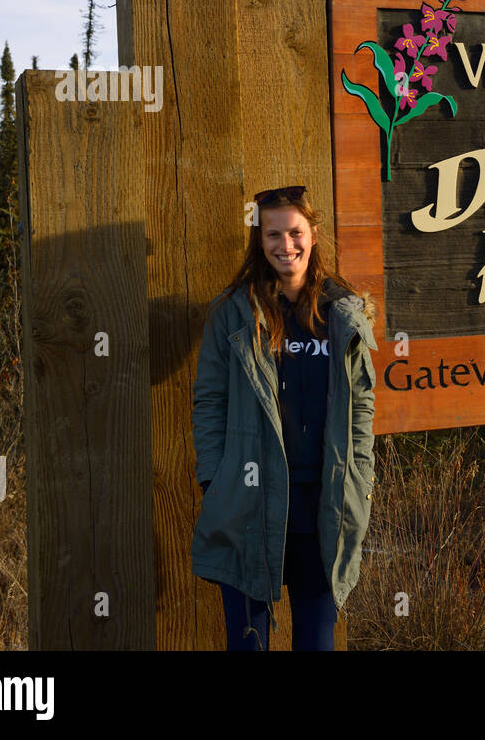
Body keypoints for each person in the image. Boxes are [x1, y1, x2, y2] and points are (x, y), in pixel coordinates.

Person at [189, 184, 378, 650]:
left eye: (294, 232)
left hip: (324, 504)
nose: (285, 245)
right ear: (259, 240)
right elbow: (209, 402)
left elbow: (362, 409)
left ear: (313, 234)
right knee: (249, 641)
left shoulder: (343, 314)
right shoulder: (233, 312)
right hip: (249, 499)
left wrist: (361, 476)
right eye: (272, 235)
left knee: (316, 640)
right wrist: (214, 481)